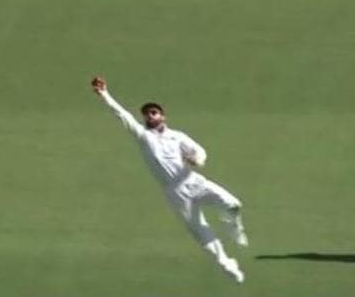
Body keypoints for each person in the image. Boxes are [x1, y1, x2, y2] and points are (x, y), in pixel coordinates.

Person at [91, 76, 248, 282]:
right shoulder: (144, 136)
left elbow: (200, 152)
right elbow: (122, 115)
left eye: (154, 112)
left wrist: (196, 160)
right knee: (201, 232)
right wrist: (104, 94)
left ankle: (233, 228)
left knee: (233, 205)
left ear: (163, 116)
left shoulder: (178, 136)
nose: (150, 116)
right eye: (147, 114)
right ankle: (227, 265)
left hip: (194, 181)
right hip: (175, 193)